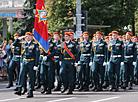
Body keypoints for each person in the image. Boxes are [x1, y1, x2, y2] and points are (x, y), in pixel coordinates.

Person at [14, 32, 39, 98]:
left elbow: (37, 55)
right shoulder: (23, 44)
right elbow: (14, 44)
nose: (27, 37)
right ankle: (19, 89)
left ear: (31, 37)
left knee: (31, 77)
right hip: (24, 61)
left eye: (29, 36)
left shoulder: (35, 44)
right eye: (26, 36)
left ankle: (30, 91)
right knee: (21, 75)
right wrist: (18, 39)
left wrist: (36, 65)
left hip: (32, 62)